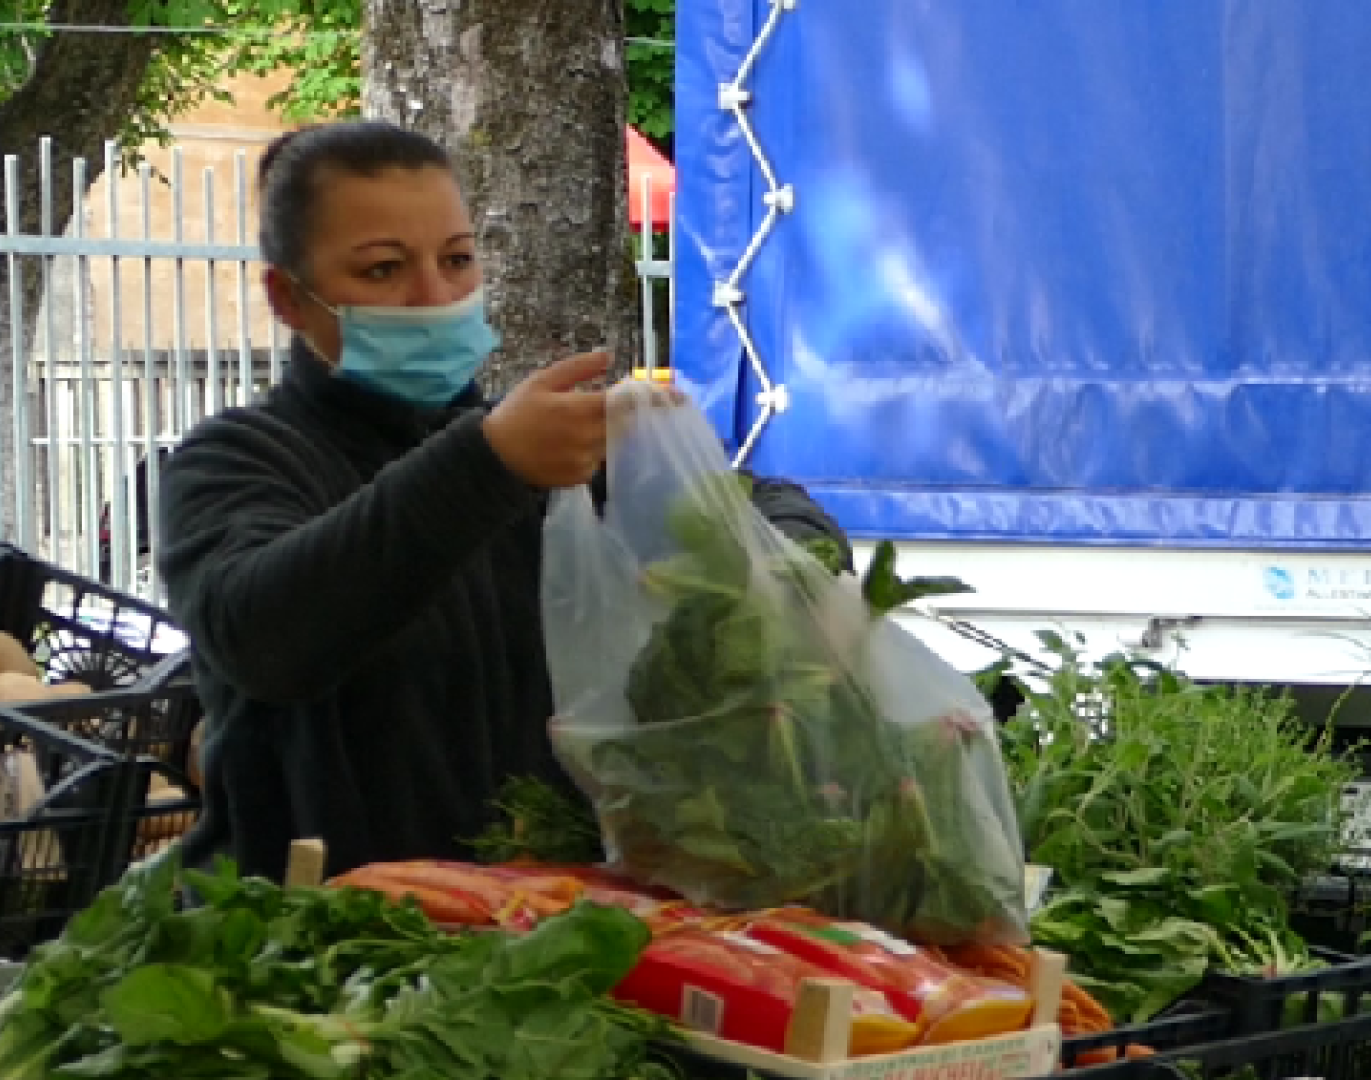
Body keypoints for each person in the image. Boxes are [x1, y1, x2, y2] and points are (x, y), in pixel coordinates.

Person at [156, 120, 851, 884]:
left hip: (543, 935)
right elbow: (262, 636)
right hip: (315, 953)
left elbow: (764, 505)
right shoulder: (235, 461)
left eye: (456, 261)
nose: (433, 297)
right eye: (384, 271)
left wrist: (787, 569)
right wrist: (488, 463)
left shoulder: (552, 454)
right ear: (289, 297)